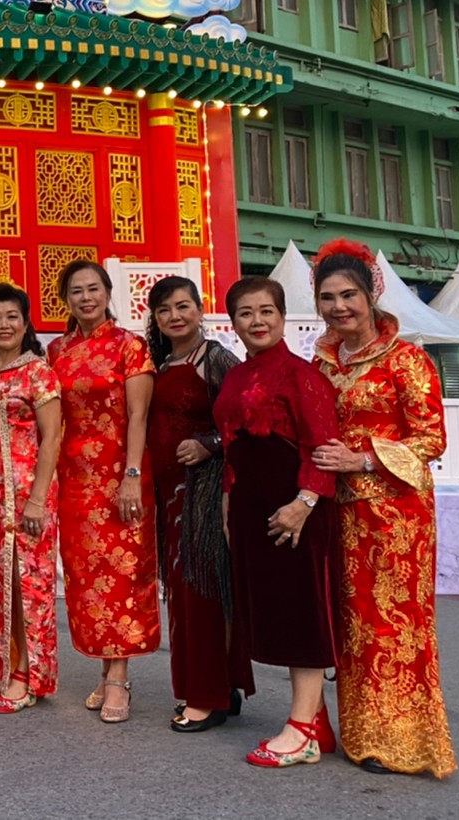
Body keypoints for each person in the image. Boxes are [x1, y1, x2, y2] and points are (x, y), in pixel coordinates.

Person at [309, 240, 457, 778]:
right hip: (337, 515)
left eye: (348, 294)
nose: (338, 307)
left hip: (395, 518)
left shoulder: (406, 359)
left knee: (393, 627)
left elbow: (431, 438)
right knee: (350, 624)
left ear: (372, 294)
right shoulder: (321, 361)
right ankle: (359, 731)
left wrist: (363, 457)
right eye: (328, 297)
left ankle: (401, 741)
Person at [214, 277, 340, 768]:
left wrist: (304, 503)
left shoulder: (302, 375)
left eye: (267, 311)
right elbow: (230, 442)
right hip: (250, 511)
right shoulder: (235, 377)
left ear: (283, 316)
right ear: (234, 323)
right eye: (246, 313)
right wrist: (228, 500)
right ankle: (317, 721)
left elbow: (321, 447)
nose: (257, 321)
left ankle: (303, 730)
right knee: (274, 613)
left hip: (296, 513)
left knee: (300, 615)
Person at [46, 260, 158, 725]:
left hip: (119, 475)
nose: (86, 297)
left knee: (123, 575)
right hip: (74, 478)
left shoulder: (129, 346)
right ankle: (104, 668)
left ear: (108, 292)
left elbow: (138, 416)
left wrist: (130, 473)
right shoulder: (57, 350)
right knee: (87, 579)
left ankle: (119, 678)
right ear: (66, 299)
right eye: (76, 291)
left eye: (94, 289)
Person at [146, 276, 253, 733]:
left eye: (183, 306)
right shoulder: (162, 361)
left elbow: (249, 418)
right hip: (167, 497)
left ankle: (206, 697)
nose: (175, 315)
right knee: (184, 596)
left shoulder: (216, 359)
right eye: (165, 309)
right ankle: (218, 687)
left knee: (202, 593)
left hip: (203, 492)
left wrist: (209, 443)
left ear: (200, 309)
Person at [0, 284, 61, 714]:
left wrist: (37, 499)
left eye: (12, 316)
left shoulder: (38, 373)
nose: (3, 324)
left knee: (28, 586)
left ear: (25, 323)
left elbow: (52, 439)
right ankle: (9, 668)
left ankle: (28, 675)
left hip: (29, 494)